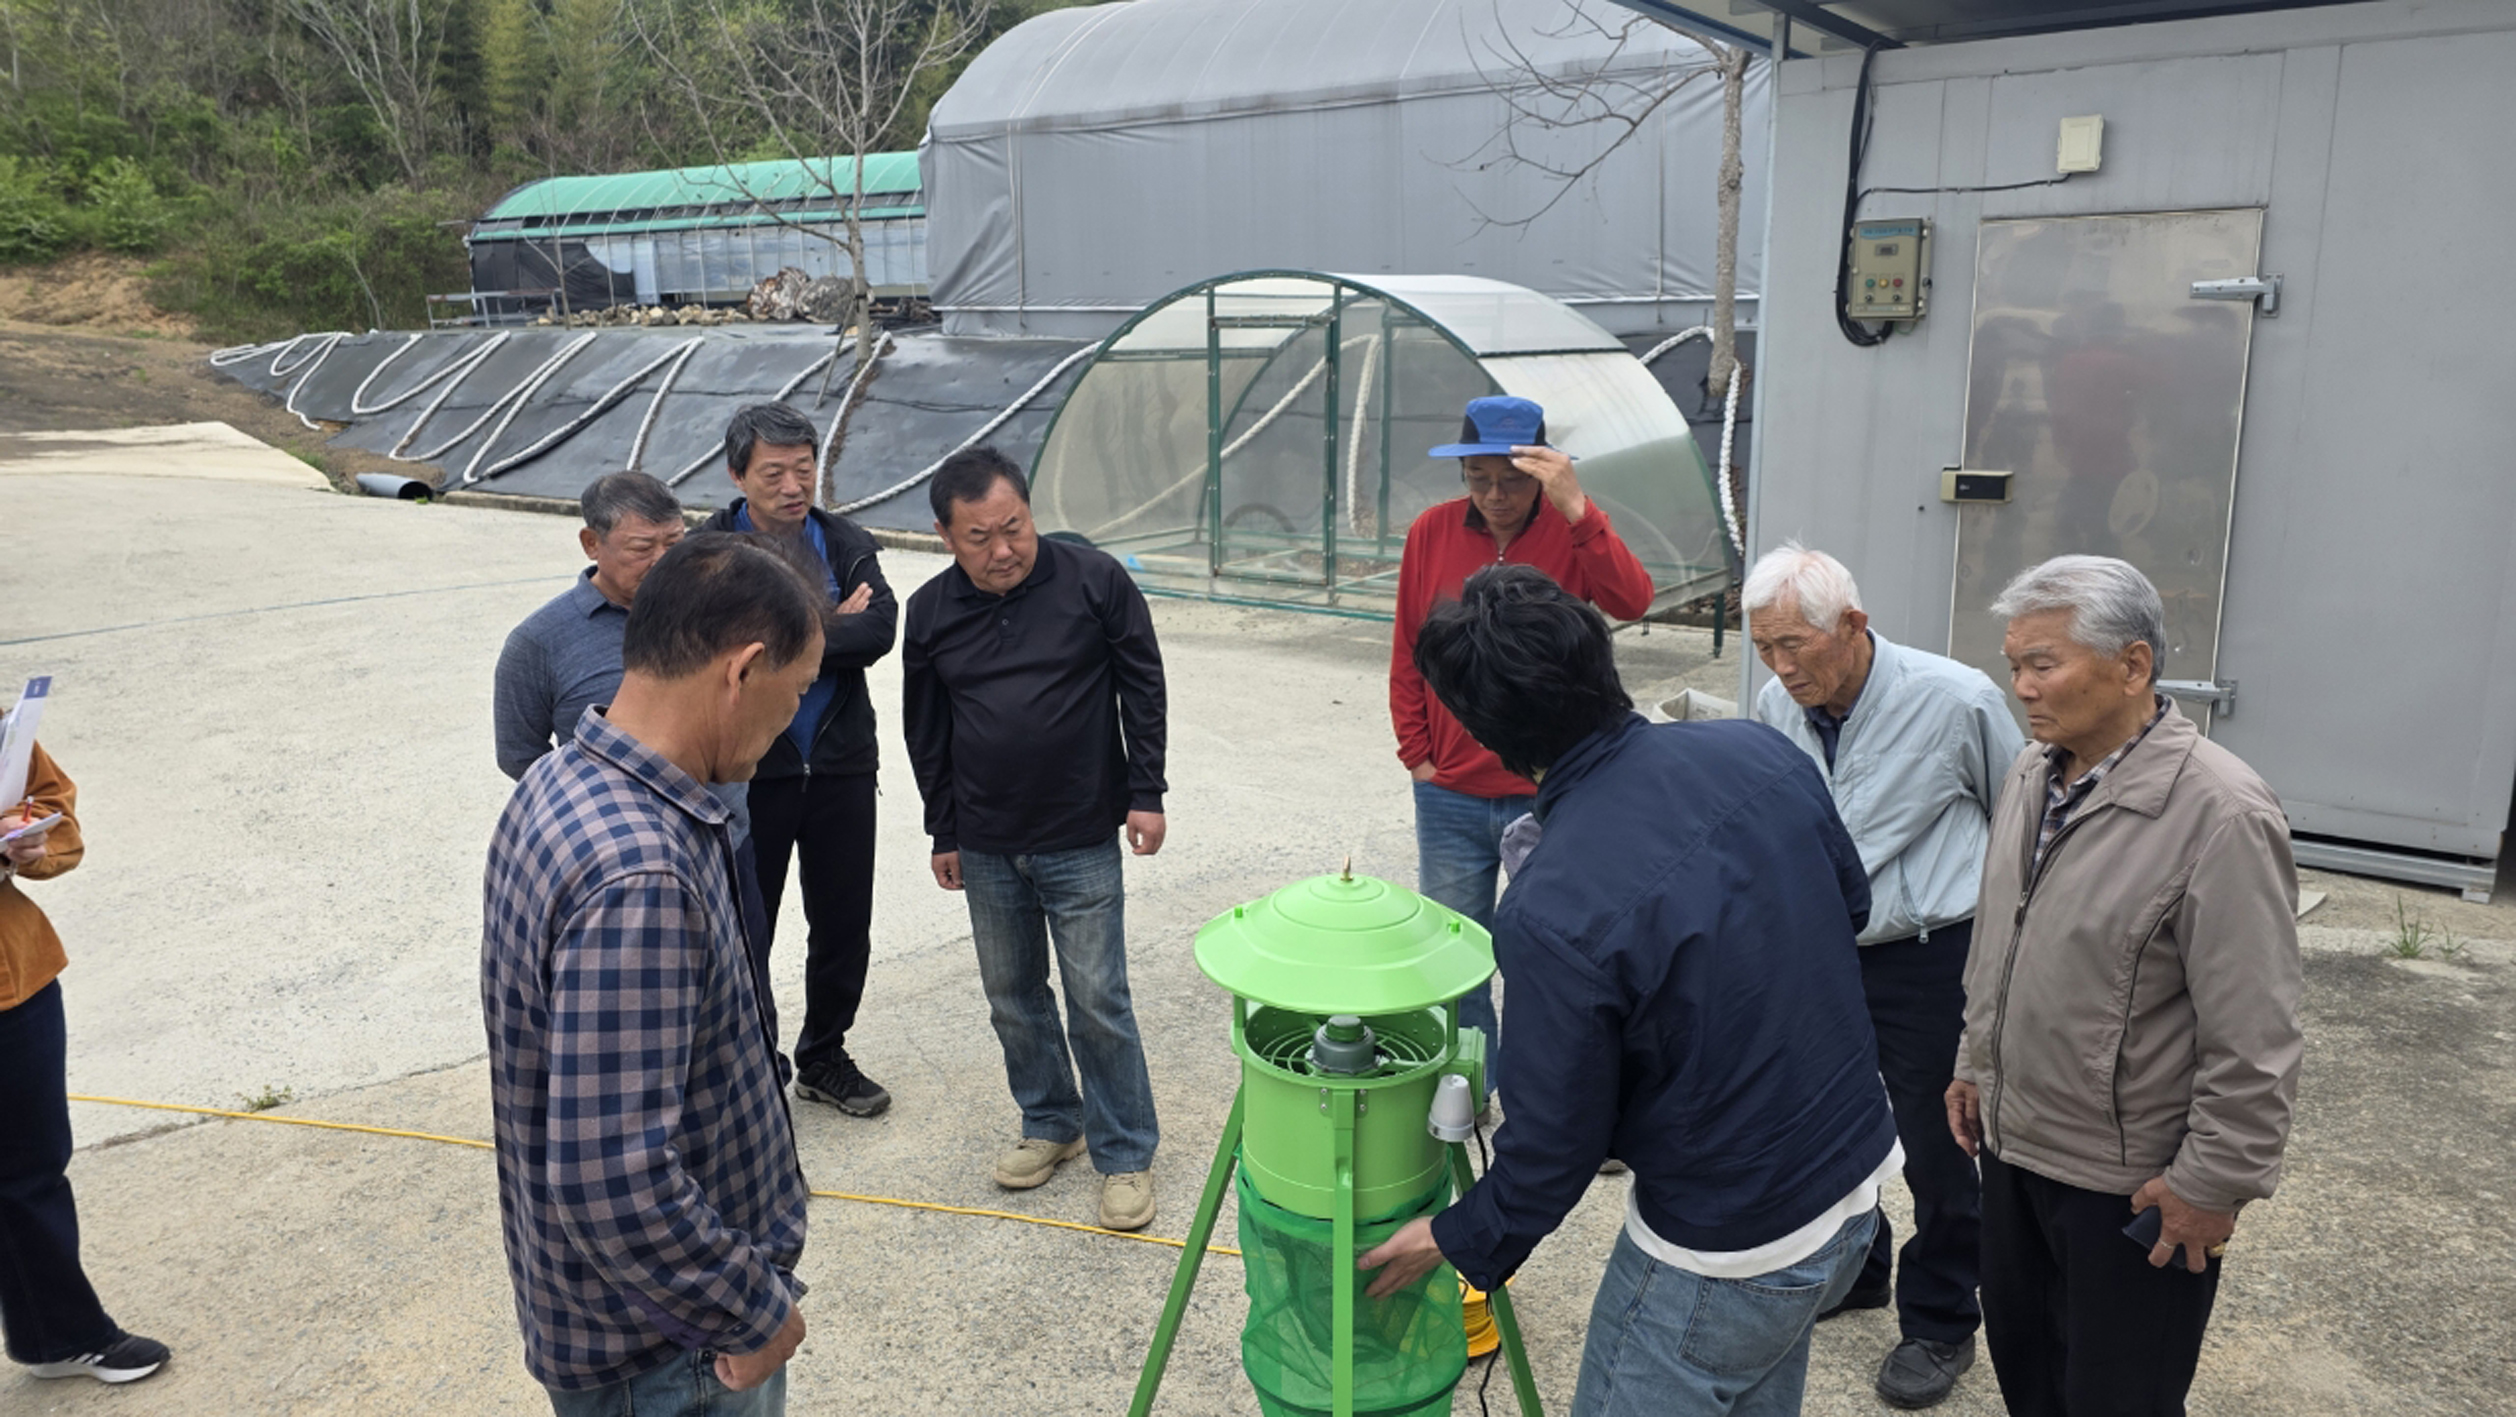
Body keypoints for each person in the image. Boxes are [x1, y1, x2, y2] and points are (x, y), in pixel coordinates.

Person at [1360, 565, 1900, 1417]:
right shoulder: (1757, 749)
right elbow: (1853, 905)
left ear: (1490, 735)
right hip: (1859, 1182)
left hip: (1726, 1248)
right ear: (1601, 660)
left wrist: (1456, 1235)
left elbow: (1556, 1143)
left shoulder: (1551, 904)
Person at [1948, 555, 2302, 1417]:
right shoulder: (2037, 771)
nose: (2021, 687)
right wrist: (1975, 1061)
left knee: (2120, 1400)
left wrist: (2213, 1182)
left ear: (2133, 665)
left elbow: (2254, 1032)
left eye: (2043, 663)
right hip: (2018, 1147)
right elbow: (2005, 936)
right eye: (2014, 665)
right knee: (2031, 1383)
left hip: (2132, 1184)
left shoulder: (2221, 812)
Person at [482, 534, 820, 1416]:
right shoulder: (642, 869)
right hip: (669, 1351)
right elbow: (611, 1175)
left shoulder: (560, 782)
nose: (789, 726)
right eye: (795, 695)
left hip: (632, 1326)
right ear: (742, 672)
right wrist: (751, 1311)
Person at [1744, 542, 2021, 1409]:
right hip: (1820, 949)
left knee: (1940, 1146)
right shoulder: (1772, 705)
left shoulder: (1955, 698)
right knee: (1821, 1125)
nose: (1783, 668)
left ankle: (1940, 1318)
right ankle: (1859, 1268)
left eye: (1797, 645)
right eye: (1765, 647)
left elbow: (2019, 822)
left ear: (1854, 626)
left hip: (1931, 953)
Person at [900, 447, 1167, 1233]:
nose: (1003, 549)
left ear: (1029, 511)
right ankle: (1052, 1119)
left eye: (1013, 526)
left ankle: (1124, 1151)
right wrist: (942, 826)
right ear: (946, 536)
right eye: (978, 537)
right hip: (985, 840)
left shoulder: (1094, 581)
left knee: (1098, 998)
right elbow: (927, 728)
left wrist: (1145, 792)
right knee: (1013, 996)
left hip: (1081, 830)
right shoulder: (930, 610)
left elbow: (1141, 685)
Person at [1389, 395, 1653, 1100]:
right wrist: (1416, 749)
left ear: (1544, 474)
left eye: (1513, 479)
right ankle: (1471, 1086)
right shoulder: (1431, 532)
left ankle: (1573, 1102)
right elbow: (1409, 649)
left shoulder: (1573, 531)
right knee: (1456, 950)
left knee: (1568, 952)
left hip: (1552, 786)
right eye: (1479, 478)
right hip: (1448, 790)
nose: (1496, 495)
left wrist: (1579, 509)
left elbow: (1634, 601)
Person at [491, 474, 776, 972]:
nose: (664, 562)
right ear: (591, 543)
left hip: (728, 848)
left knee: (746, 997)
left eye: (675, 543)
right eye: (642, 547)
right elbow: (520, 755)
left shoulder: (715, 615)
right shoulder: (539, 643)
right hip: (621, 872)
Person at [702, 403, 898, 1119]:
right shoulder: (713, 548)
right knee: (747, 925)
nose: (793, 485)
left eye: (805, 468)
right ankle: (752, 1065)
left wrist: (792, 630)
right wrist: (827, 621)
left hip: (841, 762)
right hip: (754, 768)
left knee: (844, 922)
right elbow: (721, 643)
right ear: (737, 474)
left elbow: (879, 629)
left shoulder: (844, 538)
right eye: (774, 472)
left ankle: (824, 1055)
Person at [1, 742, 171, 1386]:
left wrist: (31, 841)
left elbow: (53, 806)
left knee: (31, 1169)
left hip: (18, 973)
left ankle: (58, 1335)